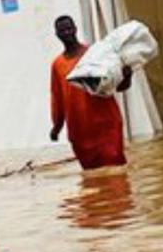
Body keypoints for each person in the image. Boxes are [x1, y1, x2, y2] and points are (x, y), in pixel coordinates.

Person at [50, 15, 131, 170]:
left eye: (69, 28)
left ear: (75, 29)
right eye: (62, 31)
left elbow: (119, 86)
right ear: (57, 35)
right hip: (80, 131)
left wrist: (128, 75)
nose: (67, 33)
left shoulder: (96, 54)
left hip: (106, 126)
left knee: (115, 170)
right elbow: (57, 98)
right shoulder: (57, 65)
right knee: (92, 177)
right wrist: (56, 127)